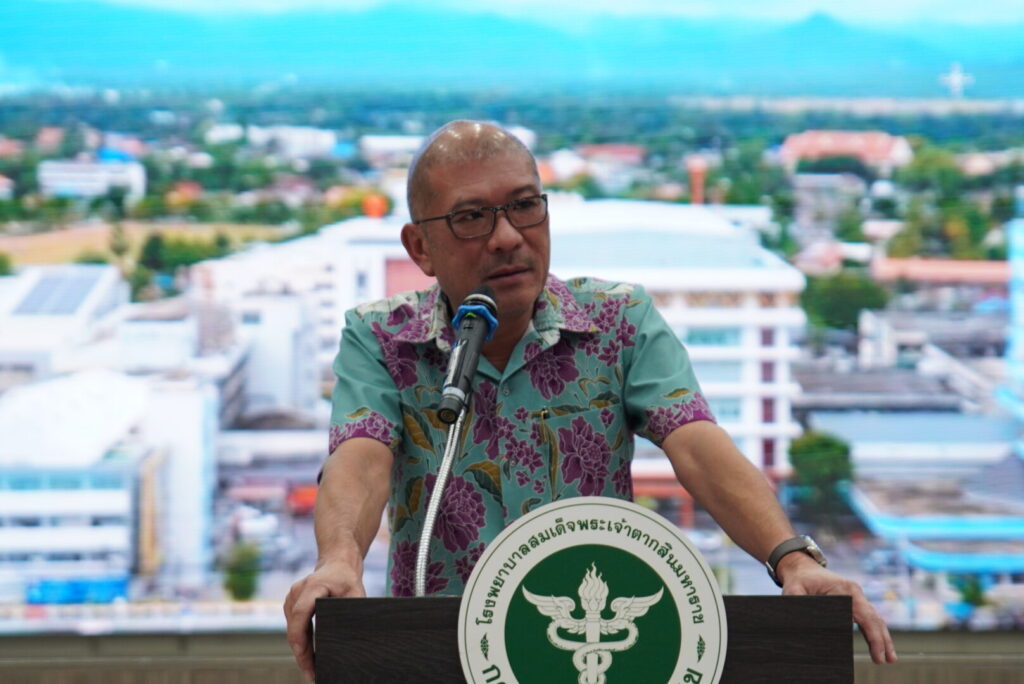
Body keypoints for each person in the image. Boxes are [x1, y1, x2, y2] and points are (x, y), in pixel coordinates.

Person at [284, 120, 897, 681]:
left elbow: (698, 445)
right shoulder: (381, 337)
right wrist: (339, 560)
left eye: (525, 206)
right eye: (472, 218)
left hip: (591, 660)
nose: (507, 237)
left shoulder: (620, 321)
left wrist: (792, 559)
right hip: (438, 658)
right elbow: (360, 455)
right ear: (419, 247)